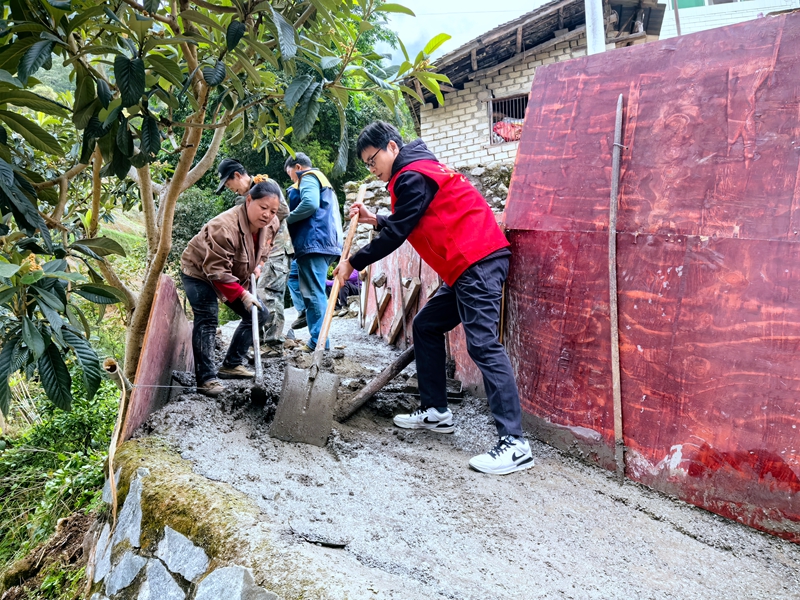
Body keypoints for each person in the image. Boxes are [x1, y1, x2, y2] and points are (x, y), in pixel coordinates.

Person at [333, 121, 533, 476]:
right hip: (464, 265)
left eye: (372, 159)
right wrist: (376, 219)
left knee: (483, 344)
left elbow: (398, 233)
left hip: (477, 260)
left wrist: (353, 261)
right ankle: (436, 411)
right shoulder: (418, 171)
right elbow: (412, 218)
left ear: (392, 147)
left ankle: (515, 444)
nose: (371, 168)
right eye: (365, 163)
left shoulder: (412, 175)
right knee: (426, 325)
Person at [181, 181, 281, 397]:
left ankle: (231, 363)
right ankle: (206, 379)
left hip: (231, 276)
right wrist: (242, 293)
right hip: (199, 273)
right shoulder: (224, 227)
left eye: (273, 211)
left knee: (259, 314)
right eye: (263, 208)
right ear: (248, 200)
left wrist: (259, 266)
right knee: (208, 317)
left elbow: (265, 250)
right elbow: (215, 270)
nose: (268, 215)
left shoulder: (272, 224)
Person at [284, 153, 343, 352]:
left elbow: (310, 204)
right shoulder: (323, 182)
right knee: (294, 277)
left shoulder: (308, 177)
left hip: (314, 241)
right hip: (321, 242)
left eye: (291, 175)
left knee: (314, 291)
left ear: (298, 167)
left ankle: (318, 342)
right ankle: (303, 313)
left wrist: (287, 220)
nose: (292, 179)